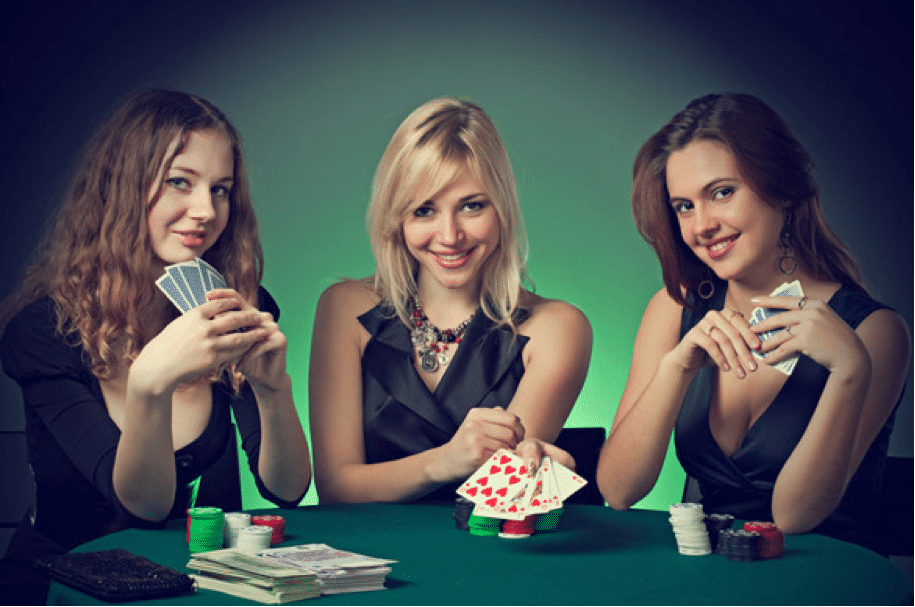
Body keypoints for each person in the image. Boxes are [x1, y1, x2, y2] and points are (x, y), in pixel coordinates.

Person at [0, 89, 311, 602]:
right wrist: (150, 383)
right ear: (123, 188)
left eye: (221, 189)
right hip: (61, 582)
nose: (205, 210)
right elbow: (142, 507)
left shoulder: (233, 305)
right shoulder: (43, 331)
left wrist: (274, 391)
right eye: (179, 182)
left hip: (182, 581)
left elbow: (286, 489)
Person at [596, 92, 910, 554]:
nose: (702, 225)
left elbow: (794, 518)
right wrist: (675, 368)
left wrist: (849, 371)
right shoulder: (674, 308)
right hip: (713, 576)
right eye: (684, 206)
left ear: (780, 190)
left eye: (722, 193)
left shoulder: (874, 332)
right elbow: (618, 491)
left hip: (827, 576)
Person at [308, 97, 592, 504]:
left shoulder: (558, 327)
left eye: (472, 206)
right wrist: (442, 462)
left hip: (487, 541)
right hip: (366, 545)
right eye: (424, 210)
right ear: (396, 217)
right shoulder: (344, 308)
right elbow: (336, 491)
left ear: (503, 208)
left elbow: (503, 493)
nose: (450, 236)